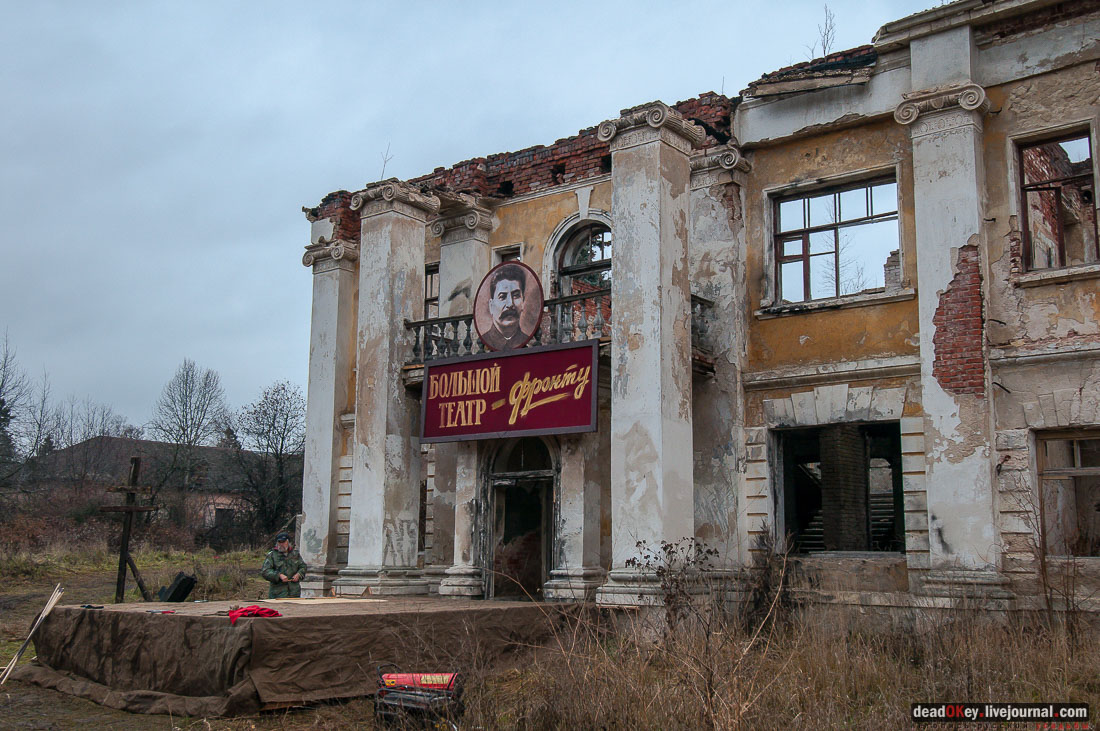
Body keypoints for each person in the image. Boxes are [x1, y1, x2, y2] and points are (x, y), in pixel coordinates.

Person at [481, 263, 530, 351]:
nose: (510, 304)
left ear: (523, 301)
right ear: (491, 305)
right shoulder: (483, 342)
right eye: (502, 297)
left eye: (516, 295)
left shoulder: (530, 342)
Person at [260, 531, 308, 598]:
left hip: (294, 593)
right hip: (277, 594)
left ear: (288, 542)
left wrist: (299, 574)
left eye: (283, 542)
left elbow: (303, 567)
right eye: (279, 542)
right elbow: (265, 571)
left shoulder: (295, 554)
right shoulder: (272, 555)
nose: (281, 544)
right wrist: (278, 575)